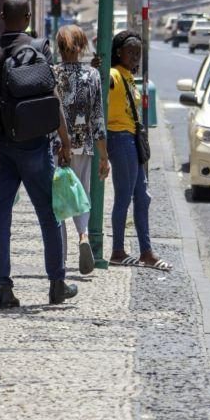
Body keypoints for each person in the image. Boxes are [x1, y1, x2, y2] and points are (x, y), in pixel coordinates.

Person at [0, 0, 77, 309]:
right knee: (48, 215)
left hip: (1, 147)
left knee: (1, 218)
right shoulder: (40, 49)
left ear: (2, 15)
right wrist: (64, 140)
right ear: (29, 17)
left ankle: (4, 289)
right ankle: (57, 283)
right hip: (35, 144)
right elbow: (52, 98)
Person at [106, 30, 169, 270]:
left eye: (138, 53)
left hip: (132, 139)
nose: (134, 57)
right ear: (118, 52)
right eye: (130, 52)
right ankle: (118, 251)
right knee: (124, 196)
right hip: (119, 139)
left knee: (142, 197)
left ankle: (146, 251)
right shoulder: (113, 75)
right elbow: (103, 81)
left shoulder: (128, 77)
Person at [52, 25, 108, 275]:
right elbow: (98, 119)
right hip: (83, 147)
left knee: (58, 202)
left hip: (55, 146)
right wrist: (104, 156)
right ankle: (84, 235)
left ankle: (60, 258)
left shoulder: (52, 74)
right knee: (81, 196)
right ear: (82, 46)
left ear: (59, 48)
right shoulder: (92, 75)